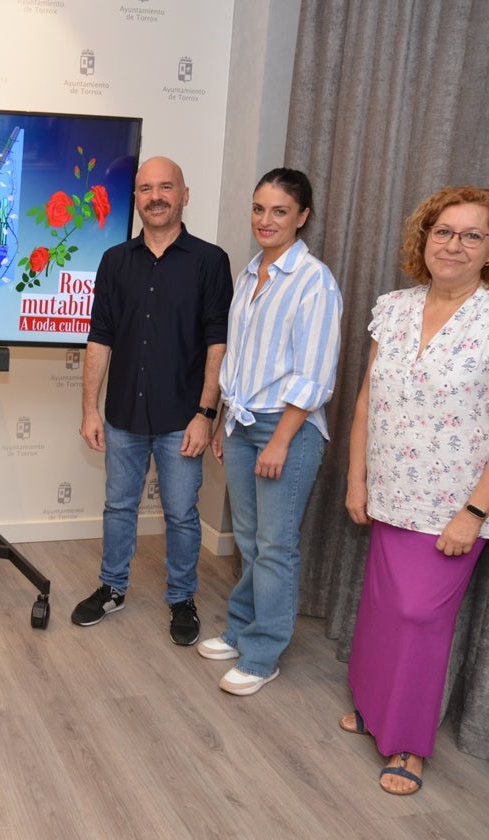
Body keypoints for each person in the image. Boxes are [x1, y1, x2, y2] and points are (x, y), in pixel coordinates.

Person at [341, 186, 489, 795]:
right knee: (381, 607)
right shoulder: (394, 307)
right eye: (443, 231)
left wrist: (475, 511)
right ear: (423, 239)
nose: (453, 244)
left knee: (419, 616)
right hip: (389, 490)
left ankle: (407, 744)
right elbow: (369, 395)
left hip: (455, 504)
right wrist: (357, 476)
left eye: (471, 235)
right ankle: (374, 709)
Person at [73, 156, 233, 645]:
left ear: (185, 195)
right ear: (136, 198)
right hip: (122, 413)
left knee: (182, 514)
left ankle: (182, 598)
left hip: (182, 417)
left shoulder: (210, 260)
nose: (156, 196)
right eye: (146, 189)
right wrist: (88, 408)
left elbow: (217, 343)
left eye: (166, 187)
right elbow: (100, 337)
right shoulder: (115, 261)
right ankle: (112, 587)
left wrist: (207, 415)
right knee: (118, 506)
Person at [198, 168, 342, 696]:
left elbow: (315, 374)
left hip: (288, 430)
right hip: (240, 422)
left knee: (277, 546)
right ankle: (240, 629)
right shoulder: (248, 272)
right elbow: (238, 356)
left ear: (302, 218)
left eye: (280, 211)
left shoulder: (315, 282)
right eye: (259, 208)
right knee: (252, 544)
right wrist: (220, 420)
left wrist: (280, 439)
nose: (266, 220)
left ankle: (263, 655)